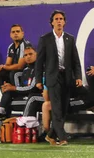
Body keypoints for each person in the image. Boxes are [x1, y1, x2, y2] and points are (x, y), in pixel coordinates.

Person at [35, 10, 83, 146]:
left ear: (65, 22)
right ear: (52, 22)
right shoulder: (45, 39)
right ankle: (62, 138)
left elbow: (75, 61)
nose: (59, 21)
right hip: (52, 78)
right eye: (56, 19)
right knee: (56, 108)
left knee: (64, 108)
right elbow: (39, 61)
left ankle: (50, 135)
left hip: (67, 77)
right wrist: (38, 80)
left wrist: (78, 76)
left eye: (61, 19)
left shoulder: (70, 39)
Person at [0, 45, 41, 141]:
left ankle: (22, 130)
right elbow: (21, 88)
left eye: (31, 54)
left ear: (37, 55)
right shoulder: (24, 71)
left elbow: (32, 88)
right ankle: (1, 114)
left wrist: (13, 88)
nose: (28, 57)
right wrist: (9, 88)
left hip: (37, 97)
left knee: (14, 100)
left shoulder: (40, 68)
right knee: (7, 96)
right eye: (25, 55)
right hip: (25, 97)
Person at [0, 24, 30, 120]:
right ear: (10, 35)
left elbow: (20, 66)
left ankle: (8, 100)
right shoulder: (11, 46)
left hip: (25, 73)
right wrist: (0, 68)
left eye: (18, 31)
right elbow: (8, 64)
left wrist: (4, 67)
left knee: (13, 73)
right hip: (14, 74)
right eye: (13, 32)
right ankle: (5, 103)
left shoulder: (25, 45)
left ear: (22, 33)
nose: (15, 34)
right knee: (1, 74)